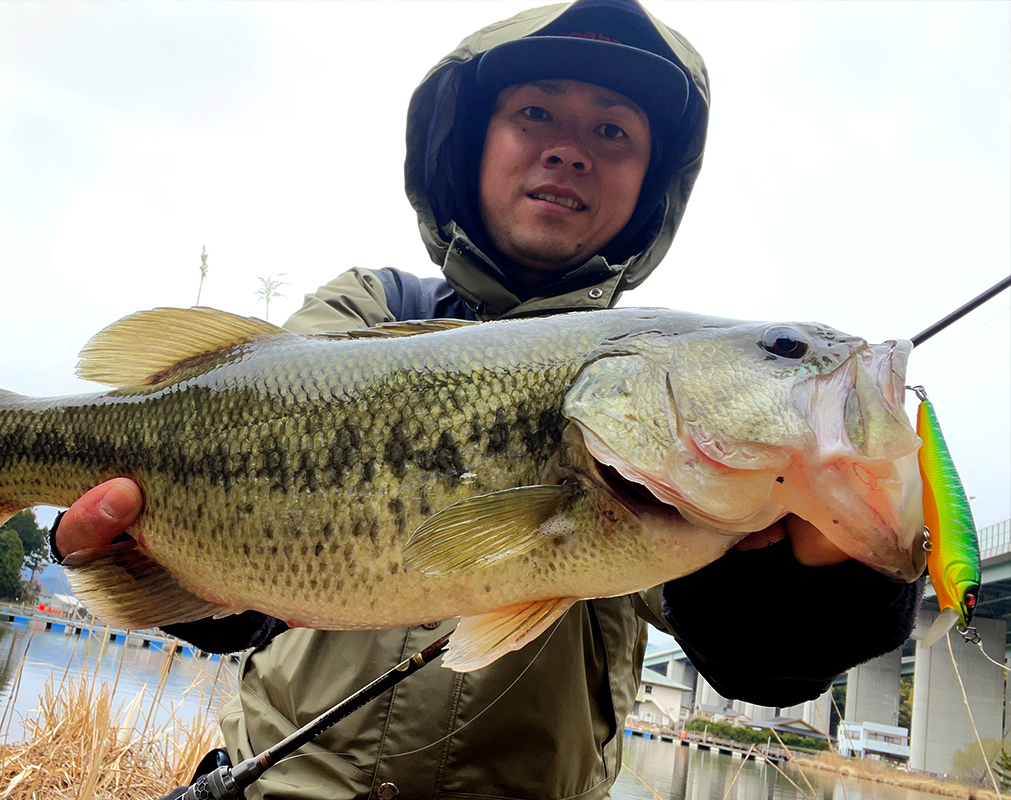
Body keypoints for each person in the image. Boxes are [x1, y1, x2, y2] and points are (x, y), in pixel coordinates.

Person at [53, 2, 923, 797]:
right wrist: (136, 559)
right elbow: (251, 594)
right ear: (471, 143)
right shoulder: (364, 314)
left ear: (652, 183)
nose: (571, 148)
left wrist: (830, 577)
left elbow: (759, 662)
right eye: (535, 112)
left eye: (614, 131)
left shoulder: (691, 480)